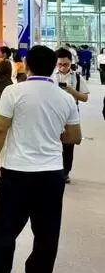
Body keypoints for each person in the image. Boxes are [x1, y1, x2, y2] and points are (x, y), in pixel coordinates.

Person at [0, 45, 81, 273]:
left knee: (5, 226)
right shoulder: (65, 98)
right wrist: (51, 134)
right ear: (54, 67)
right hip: (51, 173)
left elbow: (0, 128)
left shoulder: (13, 92)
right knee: (47, 231)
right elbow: (74, 137)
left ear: (27, 64)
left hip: (17, 171)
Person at [52, 47, 89, 184]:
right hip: (53, 112)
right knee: (53, 142)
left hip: (71, 113)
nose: (62, 67)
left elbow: (85, 98)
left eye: (66, 64)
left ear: (71, 62)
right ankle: (53, 170)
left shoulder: (77, 77)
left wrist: (71, 90)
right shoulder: (51, 76)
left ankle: (65, 172)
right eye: (60, 64)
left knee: (69, 143)